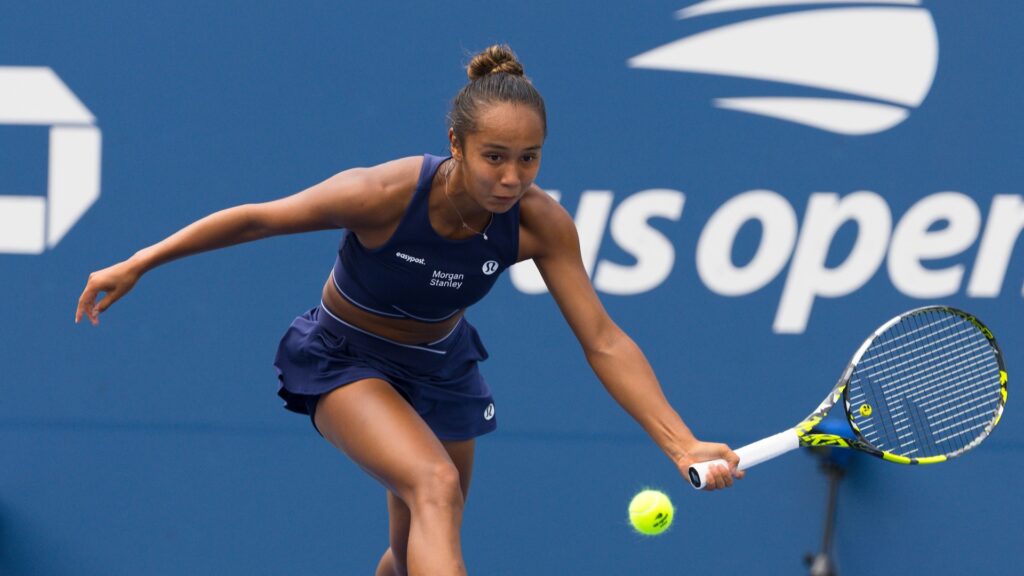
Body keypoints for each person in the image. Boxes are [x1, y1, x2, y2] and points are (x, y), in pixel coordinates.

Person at [76, 44, 742, 576]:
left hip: (443, 371)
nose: (512, 178)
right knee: (434, 486)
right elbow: (256, 220)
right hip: (345, 358)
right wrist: (142, 259)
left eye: (529, 159)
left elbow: (602, 339)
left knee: (410, 551)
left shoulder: (540, 224)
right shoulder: (382, 194)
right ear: (455, 145)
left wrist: (678, 441)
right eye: (495, 158)